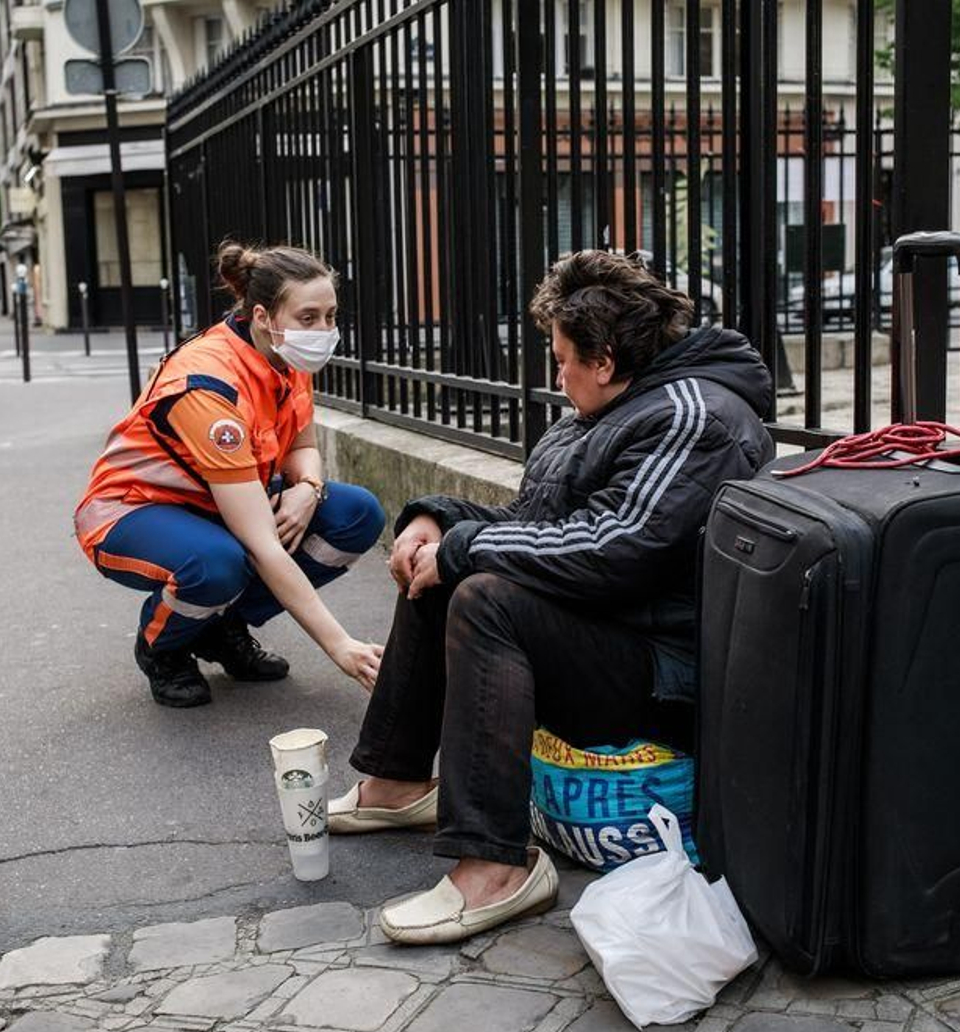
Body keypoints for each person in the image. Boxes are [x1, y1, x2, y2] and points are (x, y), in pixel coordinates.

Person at [330, 250, 774, 944]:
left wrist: (463, 549)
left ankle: (496, 867)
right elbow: (538, 528)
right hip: (609, 630)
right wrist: (438, 519)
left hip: (665, 673)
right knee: (439, 563)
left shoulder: (695, 417)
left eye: (562, 357)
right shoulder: (602, 410)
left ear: (603, 358)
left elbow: (614, 547)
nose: (556, 373)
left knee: (484, 595)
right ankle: (400, 781)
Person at [74, 242, 387, 707]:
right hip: (131, 510)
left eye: (330, 315)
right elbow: (261, 545)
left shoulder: (285, 355)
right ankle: (163, 647)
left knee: (357, 514)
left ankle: (219, 627)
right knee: (217, 563)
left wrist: (308, 487)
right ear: (263, 316)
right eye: (309, 317)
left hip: (220, 504)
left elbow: (302, 447)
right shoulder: (209, 386)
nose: (324, 330)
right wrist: (339, 645)